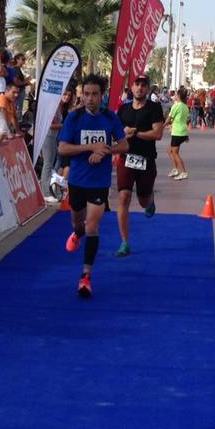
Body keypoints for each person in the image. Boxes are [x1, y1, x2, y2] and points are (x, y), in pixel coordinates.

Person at [57, 74, 128, 298]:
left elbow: (124, 145)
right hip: (77, 180)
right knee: (77, 222)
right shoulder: (74, 118)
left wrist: (105, 150)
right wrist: (89, 148)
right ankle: (76, 232)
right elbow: (62, 149)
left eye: (94, 94)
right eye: (86, 94)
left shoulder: (110, 117)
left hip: (99, 182)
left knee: (92, 226)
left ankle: (85, 276)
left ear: (102, 95)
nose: (89, 98)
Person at [114, 76, 165, 256]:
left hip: (146, 159)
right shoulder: (123, 109)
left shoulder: (154, 108)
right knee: (124, 196)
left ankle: (150, 200)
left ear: (148, 89)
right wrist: (123, 132)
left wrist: (137, 134)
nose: (140, 88)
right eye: (137, 85)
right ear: (132, 87)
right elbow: (115, 132)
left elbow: (158, 133)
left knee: (143, 202)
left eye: (144, 85)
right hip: (126, 158)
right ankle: (125, 242)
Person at [166, 85, 190, 180]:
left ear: (179, 95)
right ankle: (175, 169)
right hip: (182, 132)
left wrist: (162, 126)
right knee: (170, 150)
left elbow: (169, 119)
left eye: (176, 94)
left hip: (177, 132)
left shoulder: (176, 106)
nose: (175, 95)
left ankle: (184, 172)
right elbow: (185, 120)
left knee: (175, 153)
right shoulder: (185, 106)